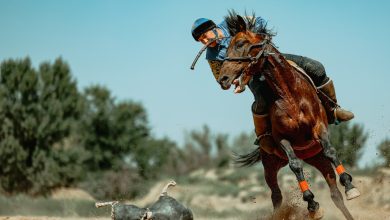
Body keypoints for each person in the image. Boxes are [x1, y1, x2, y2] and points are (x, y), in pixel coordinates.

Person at [191, 17, 354, 152]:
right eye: (200, 41)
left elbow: (258, 20)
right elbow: (220, 77)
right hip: (252, 76)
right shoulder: (211, 56)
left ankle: (333, 109)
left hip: (270, 58)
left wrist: (260, 40)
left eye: (205, 37)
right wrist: (237, 81)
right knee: (261, 101)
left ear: (213, 28)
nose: (204, 42)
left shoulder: (232, 23)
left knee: (316, 67)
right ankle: (264, 137)